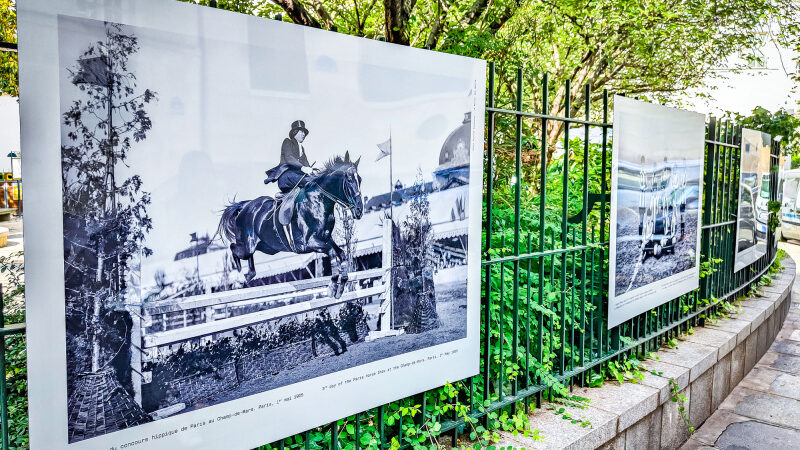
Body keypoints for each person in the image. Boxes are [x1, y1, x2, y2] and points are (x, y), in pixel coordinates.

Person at [265, 120, 315, 225]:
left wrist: (314, 174)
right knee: (309, 182)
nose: (303, 134)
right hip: (286, 176)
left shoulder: (302, 149)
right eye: (301, 131)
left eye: (304, 132)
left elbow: (307, 164)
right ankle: (283, 195)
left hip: (296, 177)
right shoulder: (287, 142)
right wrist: (303, 168)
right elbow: (289, 158)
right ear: (294, 132)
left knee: (314, 181)